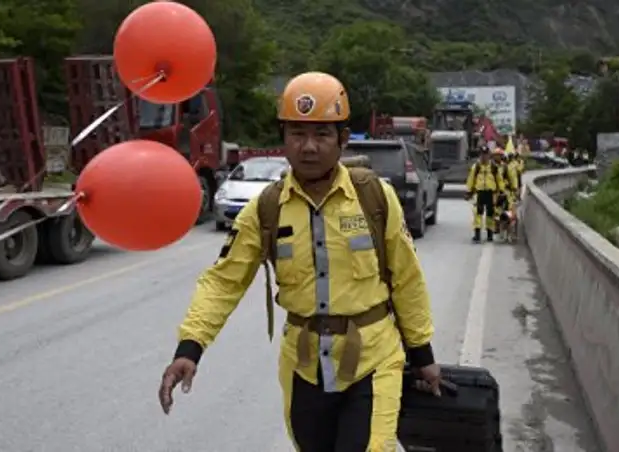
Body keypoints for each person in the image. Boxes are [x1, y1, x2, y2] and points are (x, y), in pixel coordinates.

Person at [158, 71, 442, 452]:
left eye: (322, 134)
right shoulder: (267, 208)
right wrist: (189, 349)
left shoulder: (375, 196)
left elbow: (407, 278)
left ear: (342, 138)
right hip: (303, 369)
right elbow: (223, 282)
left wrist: (422, 355)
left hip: (373, 363)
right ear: (284, 139)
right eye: (297, 133)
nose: (309, 146)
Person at [465, 145, 503, 242]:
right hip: (479, 192)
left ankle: (490, 234)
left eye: (486, 155)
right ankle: (477, 235)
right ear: (480, 155)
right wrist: (468, 191)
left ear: (489, 155)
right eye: (482, 155)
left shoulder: (494, 167)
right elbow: (471, 179)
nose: (484, 157)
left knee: (490, 213)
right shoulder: (476, 167)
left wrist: (501, 191)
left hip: (491, 193)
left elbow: (499, 180)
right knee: (477, 213)